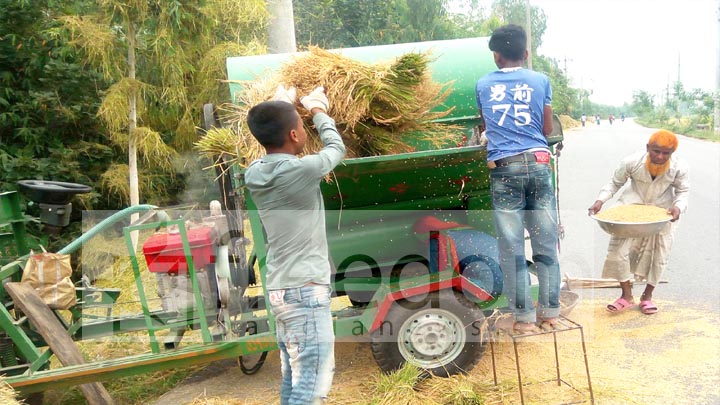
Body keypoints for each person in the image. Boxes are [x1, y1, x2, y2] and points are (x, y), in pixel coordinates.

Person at [244, 86, 346, 404]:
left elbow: (275, 146)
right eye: (300, 126)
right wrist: (317, 110)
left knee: (293, 381)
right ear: (293, 134)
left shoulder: (254, 173)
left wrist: (283, 106)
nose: (304, 131)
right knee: (311, 389)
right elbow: (336, 149)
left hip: (281, 291)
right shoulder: (302, 170)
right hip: (305, 292)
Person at [475, 24, 561, 333]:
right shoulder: (541, 81)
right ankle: (550, 314)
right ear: (525, 53)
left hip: (504, 170)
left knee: (512, 246)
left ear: (496, 56)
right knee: (545, 241)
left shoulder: (483, 85)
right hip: (539, 164)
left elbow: (487, 126)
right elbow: (548, 129)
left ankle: (524, 320)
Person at [588, 129, 689, 315]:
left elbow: (682, 192)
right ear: (648, 147)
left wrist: (678, 207)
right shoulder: (631, 162)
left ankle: (647, 297)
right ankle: (626, 296)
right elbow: (614, 183)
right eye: (656, 151)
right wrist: (600, 200)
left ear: (672, 153)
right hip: (629, 210)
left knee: (659, 257)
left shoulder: (678, 168)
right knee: (618, 253)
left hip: (662, 213)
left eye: (666, 153)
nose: (660, 156)